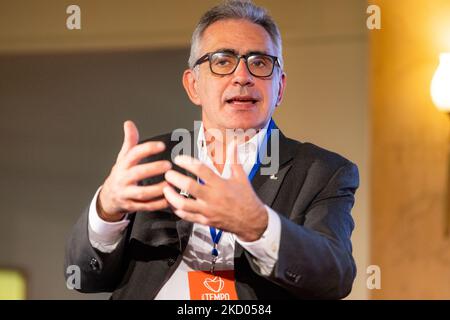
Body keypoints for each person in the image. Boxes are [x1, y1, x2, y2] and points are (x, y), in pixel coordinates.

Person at [65, 0, 359, 300]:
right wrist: (107, 209)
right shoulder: (150, 161)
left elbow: (335, 277)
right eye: (222, 60)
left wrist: (258, 225)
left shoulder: (323, 172)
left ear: (279, 88)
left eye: (259, 62)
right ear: (193, 86)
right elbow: (82, 276)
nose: (242, 76)